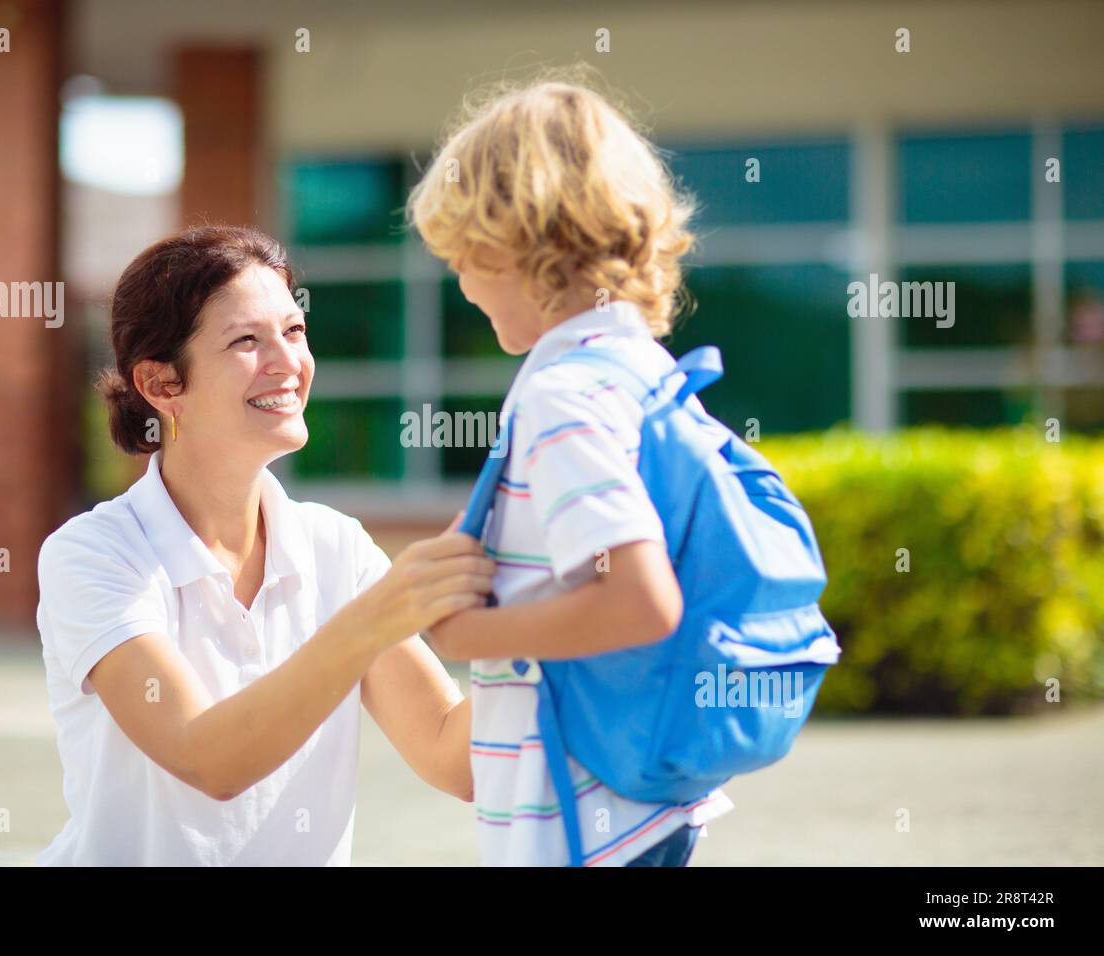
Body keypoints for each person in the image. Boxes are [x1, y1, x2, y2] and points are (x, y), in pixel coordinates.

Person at [35, 224, 494, 865]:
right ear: (162, 384)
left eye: (294, 331)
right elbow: (209, 757)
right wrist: (378, 616)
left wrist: (540, 623)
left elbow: (454, 755)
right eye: (247, 340)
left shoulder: (337, 546)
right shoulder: (93, 555)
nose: (288, 363)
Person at [408, 76, 734, 866]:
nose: (461, 284)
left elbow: (639, 598)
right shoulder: (642, 369)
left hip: (584, 820)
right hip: (649, 799)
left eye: (464, 257)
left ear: (515, 247)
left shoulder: (561, 397)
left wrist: (468, 631)